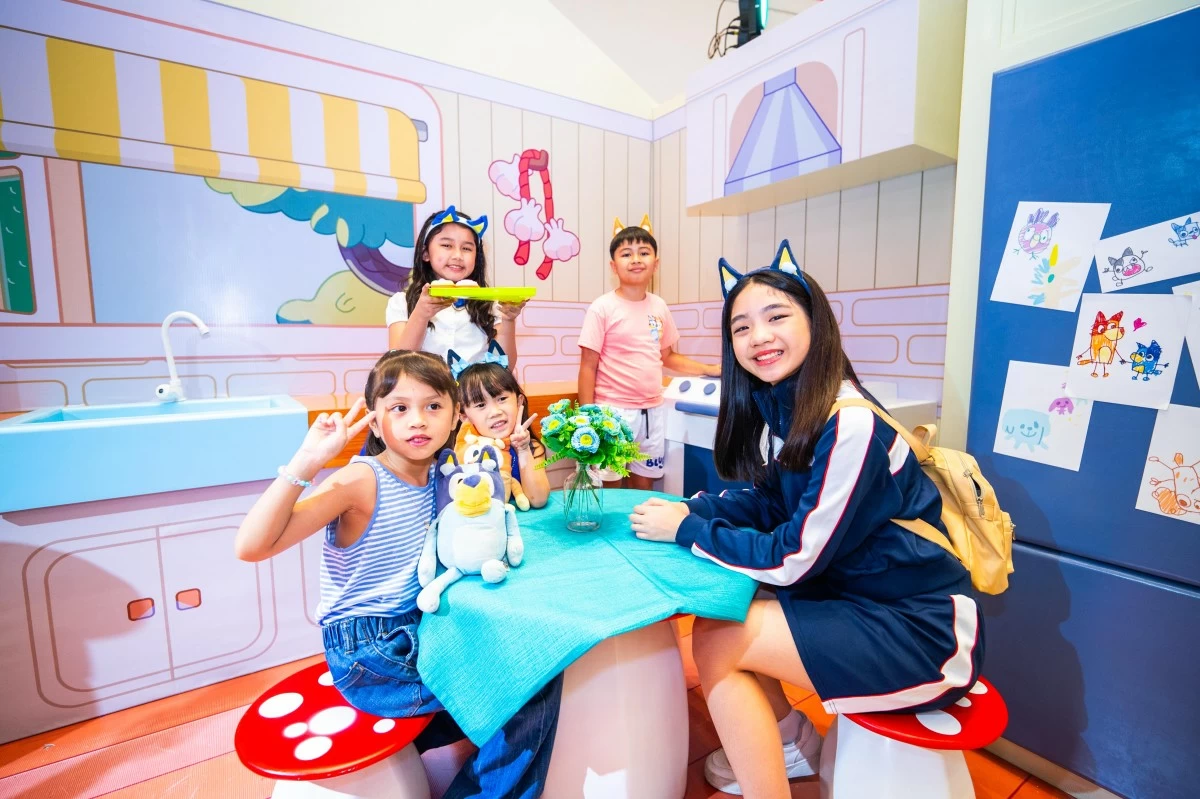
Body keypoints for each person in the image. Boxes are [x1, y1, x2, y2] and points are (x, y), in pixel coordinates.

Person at [628, 243, 984, 798]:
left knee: (718, 641)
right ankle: (795, 746)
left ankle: (780, 767)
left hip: (923, 629)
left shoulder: (850, 426)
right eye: (741, 327)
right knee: (731, 611)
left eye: (777, 317)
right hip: (863, 598)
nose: (758, 337)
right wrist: (694, 508)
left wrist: (687, 530)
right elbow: (769, 504)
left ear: (815, 322)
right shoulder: (791, 412)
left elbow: (795, 558)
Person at [234, 350, 561, 798]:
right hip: (370, 651)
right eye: (399, 408)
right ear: (375, 423)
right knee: (528, 687)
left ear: (454, 418)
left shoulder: (443, 477)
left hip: (416, 628)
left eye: (433, 406)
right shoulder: (361, 480)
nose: (418, 421)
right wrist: (307, 462)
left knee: (531, 661)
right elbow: (252, 546)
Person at [577, 217, 720, 490]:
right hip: (612, 411)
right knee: (611, 485)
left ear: (656, 263)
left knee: (645, 483)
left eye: (644, 252)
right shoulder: (602, 307)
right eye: (626, 253)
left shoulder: (659, 306)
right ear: (613, 265)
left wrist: (710, 369)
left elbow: (667, 357)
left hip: (652, 411)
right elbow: (587, 366)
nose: (636, 259)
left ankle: (639, 530)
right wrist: (588, 419)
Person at [386, 206, 527, 369]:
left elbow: (504, 367)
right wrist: (421, 314)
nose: (457, 256)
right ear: (425, 253)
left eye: (467, 248)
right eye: (447, 245)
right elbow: (397, 365)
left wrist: (508, 320)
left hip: (476, 394)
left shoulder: (491, 304)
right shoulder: (401, 303)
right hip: (426, 393)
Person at [451, 345, 550, 510]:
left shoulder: (531, 447)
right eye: (481, 405)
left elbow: (538, 500)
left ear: (519, 402)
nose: (495, 412)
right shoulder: (464, 454)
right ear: (464, 417)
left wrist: (524, 450)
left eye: (502, 398)